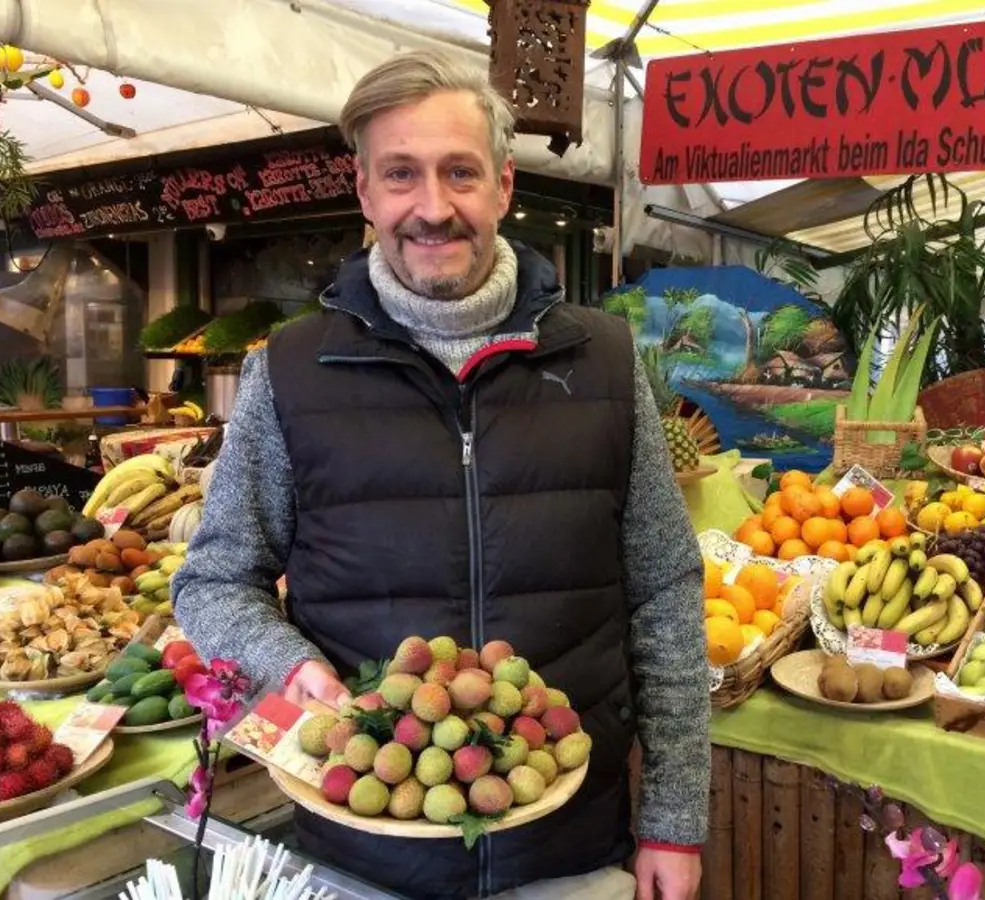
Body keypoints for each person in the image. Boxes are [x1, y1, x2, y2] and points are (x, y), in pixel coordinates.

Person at [172, 50, 710, 900]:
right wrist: (287, 666)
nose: (432, 207)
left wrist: (675, 821)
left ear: (502, 185)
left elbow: (665, 592)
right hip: (361, 857)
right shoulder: (292, 370)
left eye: (459, 172)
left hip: (566, 844)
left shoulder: (604, 362)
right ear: (364, 194)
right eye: (401, 174)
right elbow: (211, 581)